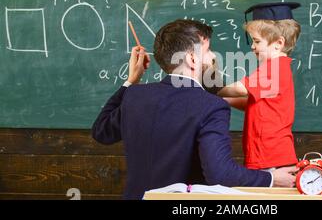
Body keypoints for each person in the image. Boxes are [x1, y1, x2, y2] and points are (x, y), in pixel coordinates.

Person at [92, 19, 298, 199]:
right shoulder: (211, 106)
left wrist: (131, 80)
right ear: (192, 59)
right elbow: (221, 175)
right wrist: (272, 178)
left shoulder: (134, 95)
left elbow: (101, 132)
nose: (213, 58)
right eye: (208, 51)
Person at [217, 2, 302, 171]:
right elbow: (251, 101)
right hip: (267, 155)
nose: (252, 46)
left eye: (257, 41)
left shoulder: (274, 68)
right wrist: (224, 99)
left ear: (278, 43)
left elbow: (240, 89)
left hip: (270, 157)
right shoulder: (278, 67)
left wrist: (212, 88)